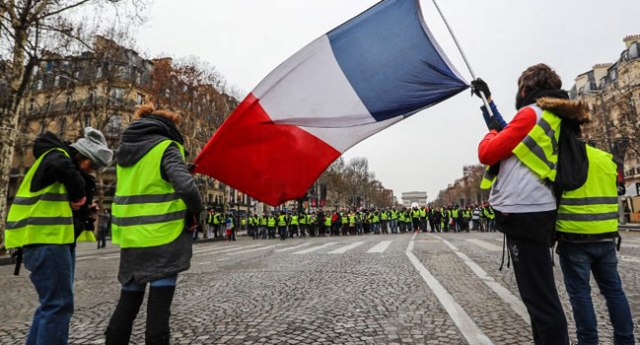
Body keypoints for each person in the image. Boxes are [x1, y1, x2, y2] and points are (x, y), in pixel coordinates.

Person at [473, 64, 575, 344]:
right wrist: (488, 102)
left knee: (540, 300)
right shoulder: (551, 114)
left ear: (525, 89)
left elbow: (488, 151)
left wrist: (489, 134)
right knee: (539, 298)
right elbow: (512, 133)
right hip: (539, 209)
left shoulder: (531, 113)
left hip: (524, 212)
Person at [5, 127, 113, 345]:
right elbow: (63, 169)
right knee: (58, 304)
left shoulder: (61, 162)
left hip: (52, 240)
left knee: (52, 304)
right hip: (46, 239)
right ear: (82, 155)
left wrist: (83, 209)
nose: (91, 171)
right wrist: (79, 193)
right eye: (91, 165)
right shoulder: (57, 156)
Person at [106, 103, 202, 345]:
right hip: (163, 236)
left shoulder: (126, 152)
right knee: (159, 311)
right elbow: (187, 188)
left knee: (127, 305)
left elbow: (147, 182)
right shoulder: (167, 146)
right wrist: (195, 213)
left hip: (131, 238)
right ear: (169, 127)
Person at [554, 140, 635, 341]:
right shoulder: (605, 159)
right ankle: (626, 339)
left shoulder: (562, 159)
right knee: (615, 292)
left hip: (573, 238)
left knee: (580, 295)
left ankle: (588, 341)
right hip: (606, 236)